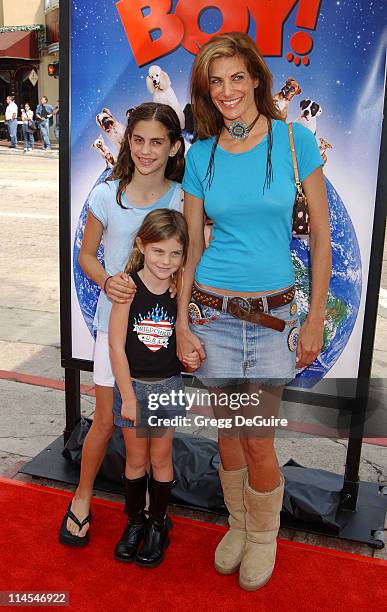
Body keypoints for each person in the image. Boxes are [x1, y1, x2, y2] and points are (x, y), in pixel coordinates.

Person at [177, 33, 331, 591]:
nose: (227, 91)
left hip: (273, 320)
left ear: (258, 80)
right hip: (212, 314)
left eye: (237, 77)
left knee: (257, 435)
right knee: (226, 432)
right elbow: (192, 248)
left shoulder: (295, 142)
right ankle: (239, 525)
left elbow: (320, 240)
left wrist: (314, 316)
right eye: (215, 82)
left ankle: (264, 537)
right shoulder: (201, 153)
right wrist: (181, 321)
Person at [59, 102, 187, 546]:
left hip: (159, 337)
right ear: (127, 143)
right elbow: (87, 255)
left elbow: (190, 258)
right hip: (113, 328)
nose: (146, 150)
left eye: (157, 142)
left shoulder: (183, 197)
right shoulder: (106, 194)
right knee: (107, 421)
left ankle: (152, 517)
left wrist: (179, 297)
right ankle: (82, 497)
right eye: (138, 140)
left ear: (173, 147)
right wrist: (108, 280)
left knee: (156, 432)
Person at [109, 209, 199, 566]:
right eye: (159, 251)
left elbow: (185, 341)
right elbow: (116, 346)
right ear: (141, 245)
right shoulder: (128, 288)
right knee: (135, 460)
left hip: (168, 386)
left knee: (161, 460)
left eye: (175, 253)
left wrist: (191, 358)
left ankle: (158, 524)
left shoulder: (179, 291)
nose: (167, 260)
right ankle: (135, 522)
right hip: (133, 388)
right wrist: (128, 397)